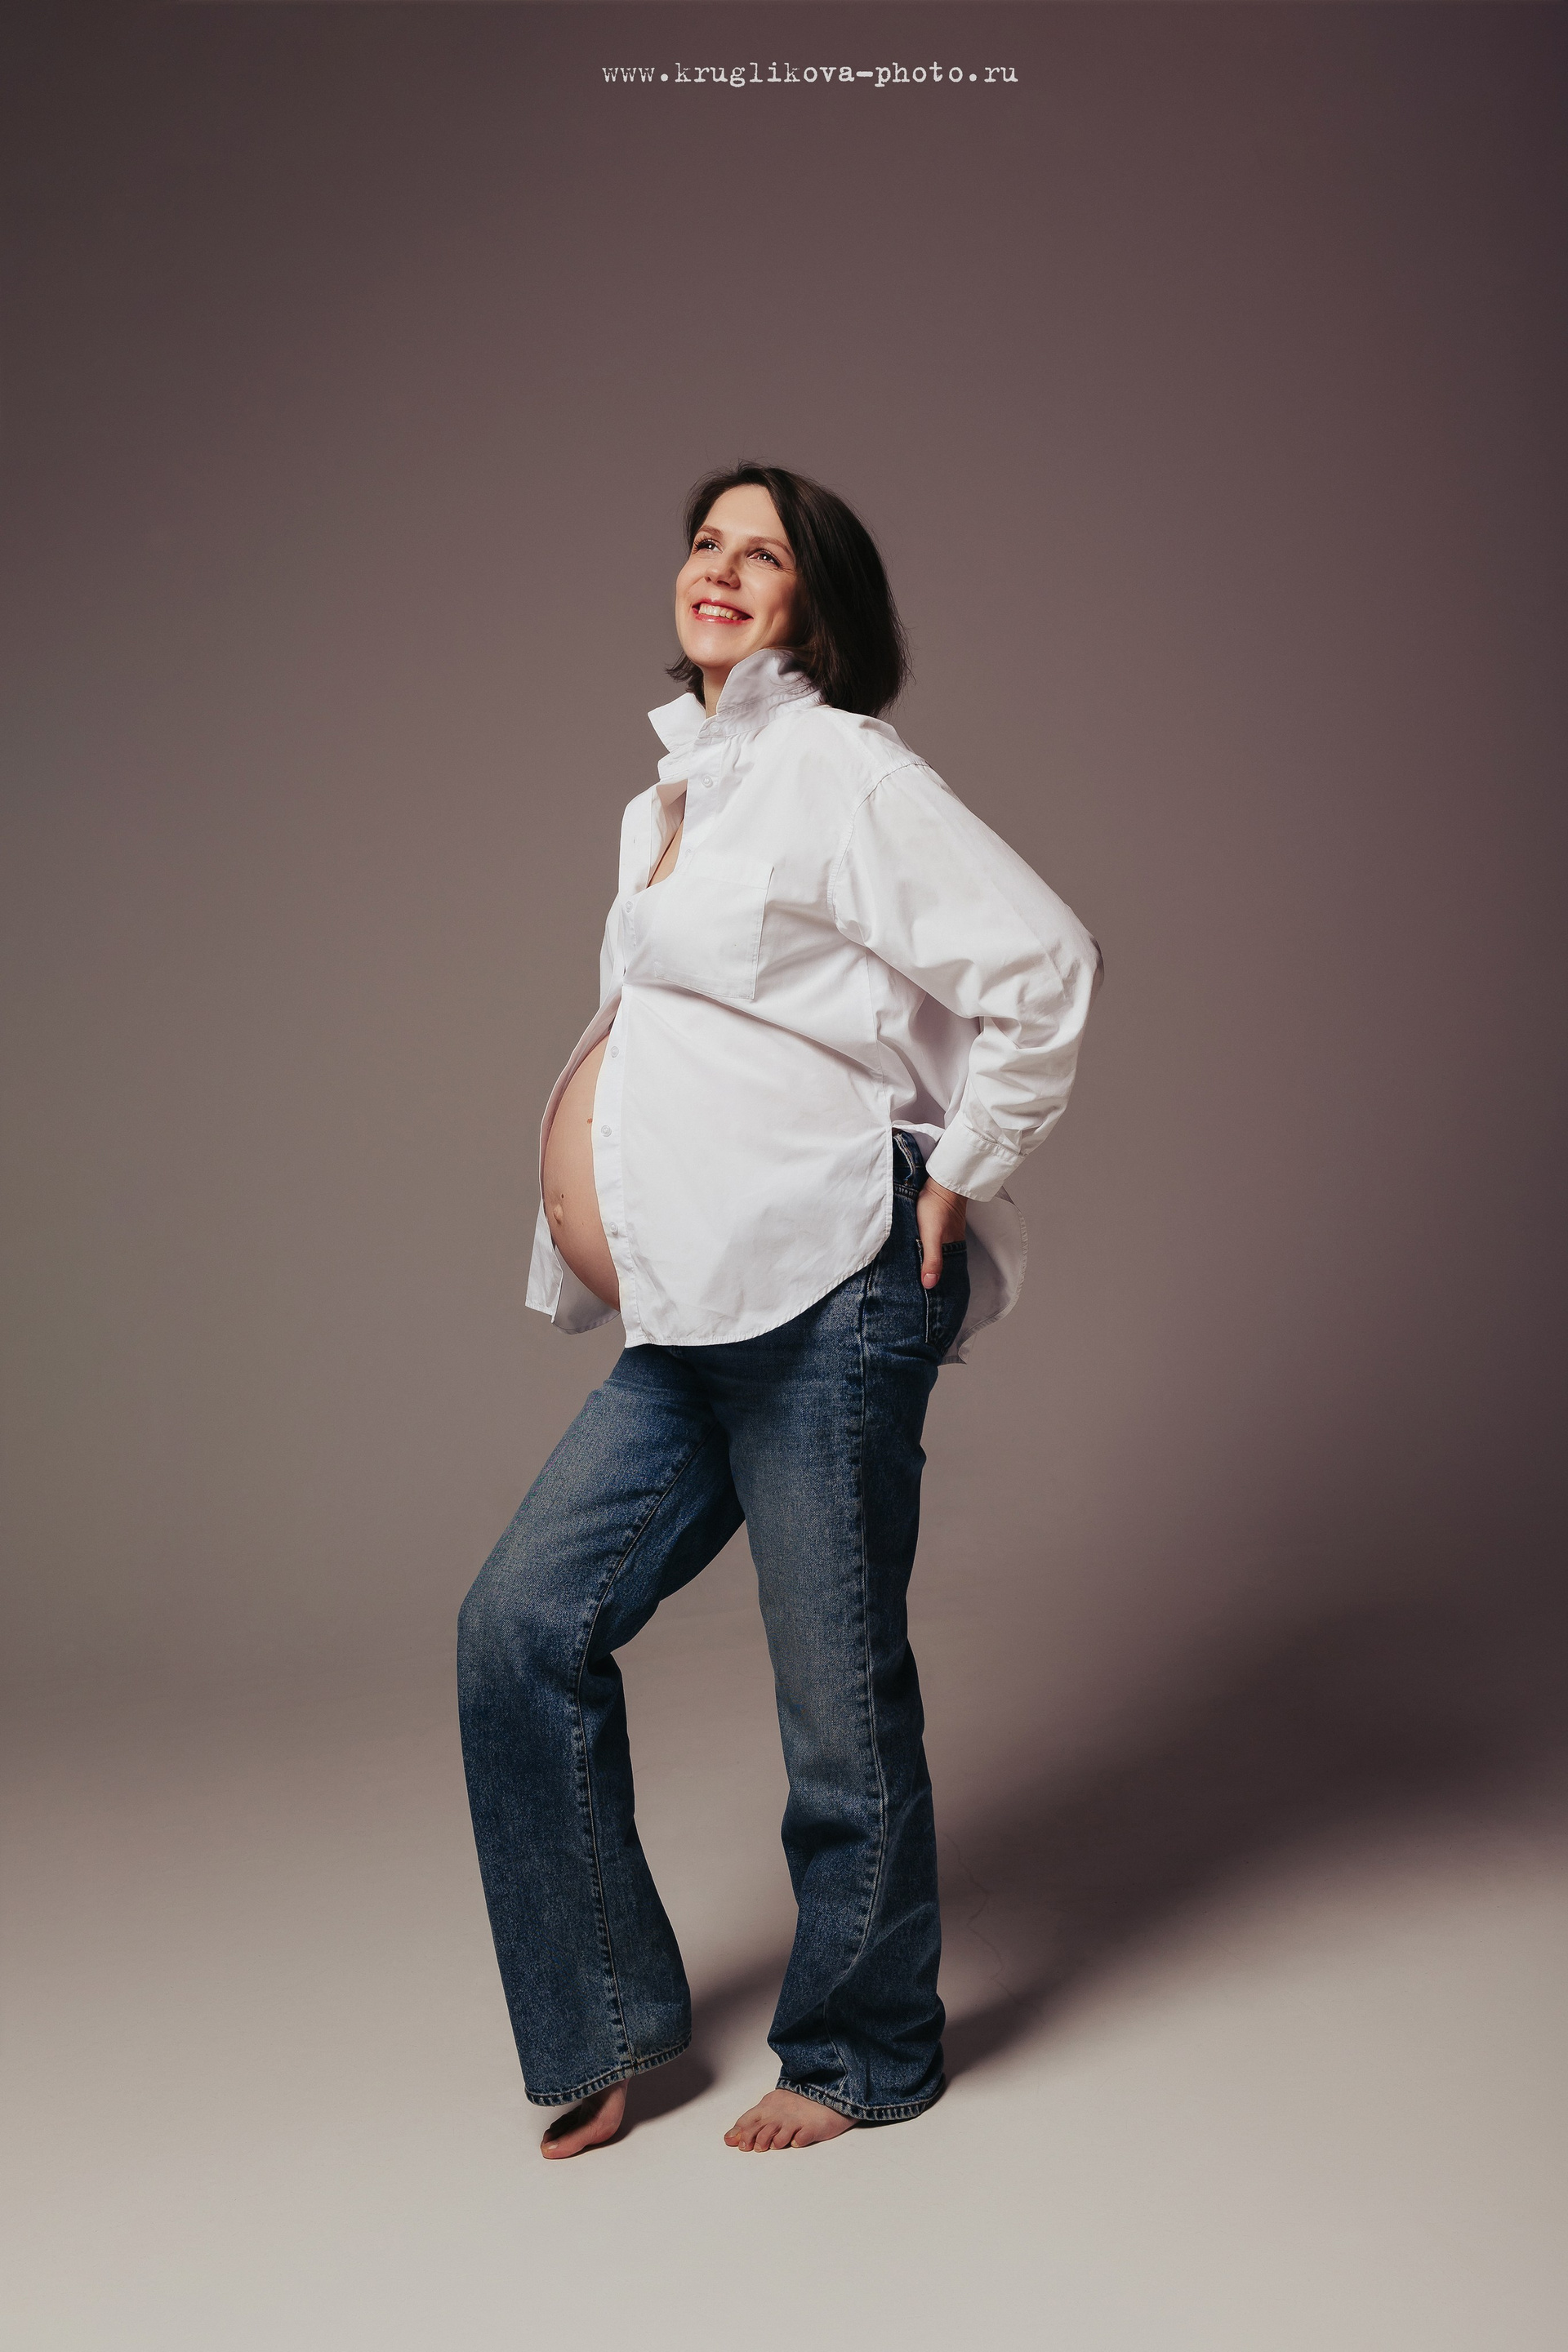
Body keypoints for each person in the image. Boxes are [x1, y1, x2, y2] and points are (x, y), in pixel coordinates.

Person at [457, 463, 1101, 2158]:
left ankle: (864, 2052)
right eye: (705, 543)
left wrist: (965, 1165)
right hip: (697, 1303)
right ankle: (602, 2019)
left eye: (766, 554)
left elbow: (1043, 963)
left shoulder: (839, 767)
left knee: (835, 1701)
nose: (723, 570)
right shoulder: (665, 801)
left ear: (820, 603)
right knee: (519, 1628)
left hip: (830, 1284)